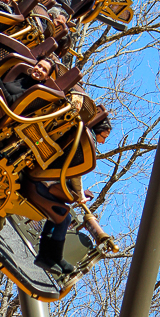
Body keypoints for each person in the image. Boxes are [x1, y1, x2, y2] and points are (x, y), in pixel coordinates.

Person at [34, 112, 113, 275]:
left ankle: (45, 256)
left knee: (58, 213)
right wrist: (79, 195)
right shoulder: (84, 143)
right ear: (97, 131)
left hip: (45, 176)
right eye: (103, 136)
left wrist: (79, 193)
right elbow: (75, 172)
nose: (104, 142)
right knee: (64, 216)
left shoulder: (78, 134)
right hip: (43, 179)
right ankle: (53, 256)